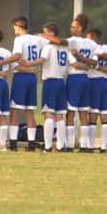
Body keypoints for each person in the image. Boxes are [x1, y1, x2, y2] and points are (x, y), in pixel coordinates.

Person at [0, 16, 48, 151]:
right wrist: (33, 68)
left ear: (18, 26)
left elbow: (17, 57)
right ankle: (31, 143)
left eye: (14, 27)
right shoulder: (38, 39)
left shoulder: (19, 39)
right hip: (32, 77)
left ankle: (13, 143)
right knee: (30, 111)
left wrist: (1, 62)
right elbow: (50, 43)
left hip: (21, 77)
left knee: (14, 110)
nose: (13, 29)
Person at [21, 22, 76, 153]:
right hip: (61, 82)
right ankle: (60, 146)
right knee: (59, 115)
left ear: (51, 34)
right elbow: (73, 62)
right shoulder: (64, 48)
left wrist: (29, 64)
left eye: (45, 32)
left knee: (48, 113)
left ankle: (48, 146)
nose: (43, 35)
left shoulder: (49, 46)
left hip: (50, 82)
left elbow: (42, 60)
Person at [63, 14, 98, 152]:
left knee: (70, 112)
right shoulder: (92, 44)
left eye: (73, 26)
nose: (71, 28)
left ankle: (70, 145)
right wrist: (88, 66)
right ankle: (85, 145)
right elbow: (94, 62)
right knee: (84, 112)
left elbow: (75, 64)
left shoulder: (70, 42)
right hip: (86, 79)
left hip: (74, 78)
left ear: (80, 28)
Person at [86, 28, 107, 152]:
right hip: (104, 82)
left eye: (88, 38)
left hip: (93, 82)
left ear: (93, 37)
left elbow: (90, 64)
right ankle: (103, 147)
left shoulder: (91, 49)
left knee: (93, 115)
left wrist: (96, 66)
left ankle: (91, 146)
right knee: (104, 114)